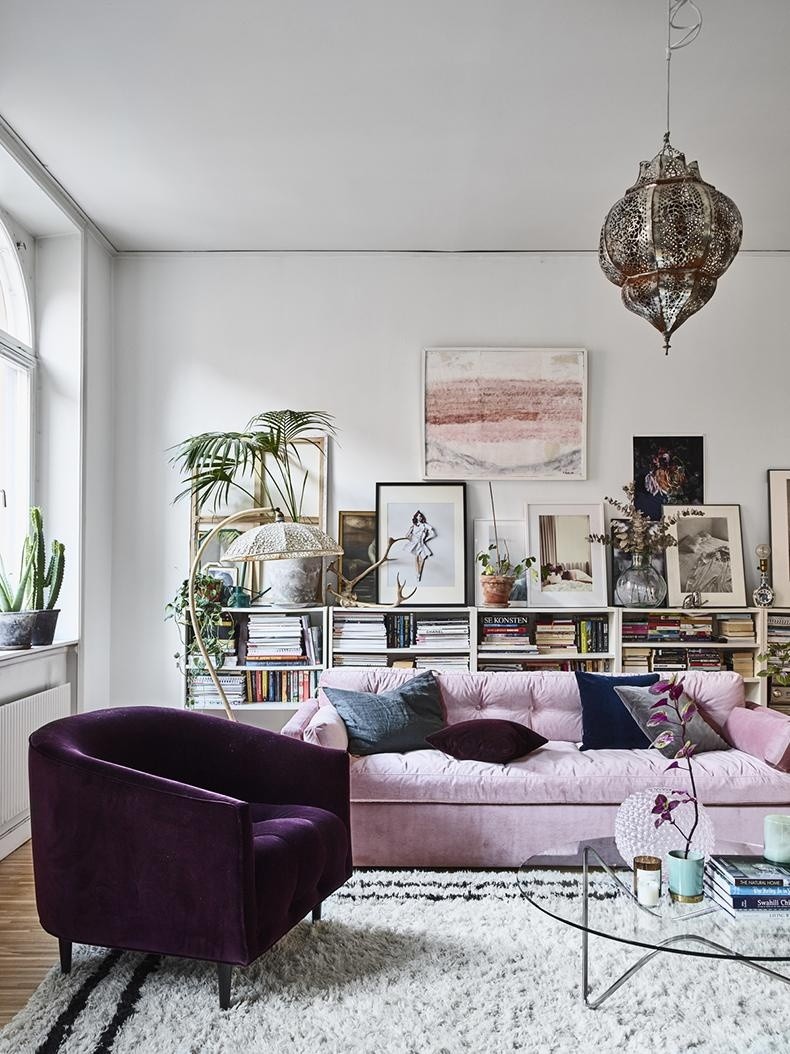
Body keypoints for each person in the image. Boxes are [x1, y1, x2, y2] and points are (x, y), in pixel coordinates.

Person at [406, 510, 436, 581]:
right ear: (416, 517)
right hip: (415, 543)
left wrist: (426, 539)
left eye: (421, 516)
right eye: (419, 516)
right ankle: (418, 575)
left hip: (422, 543)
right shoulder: (413, 526)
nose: (420, 517)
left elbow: (433, 533)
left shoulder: (425, 525)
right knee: (416, 558)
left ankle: (418, 574)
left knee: (423, 558)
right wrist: (411, 538)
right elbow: (407, 535)